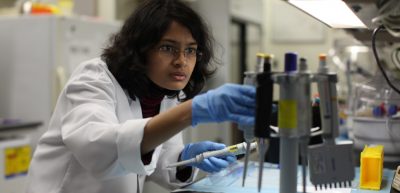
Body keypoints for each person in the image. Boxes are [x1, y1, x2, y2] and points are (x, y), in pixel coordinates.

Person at [26, 0, 255, 193]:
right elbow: (97, 148)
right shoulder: (94, 79)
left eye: (191, 50)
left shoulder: (164, 92)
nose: (181, 61)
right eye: (168, 47)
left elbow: (156, 161)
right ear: (140, 49)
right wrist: (191, 111)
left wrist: (187, 157)